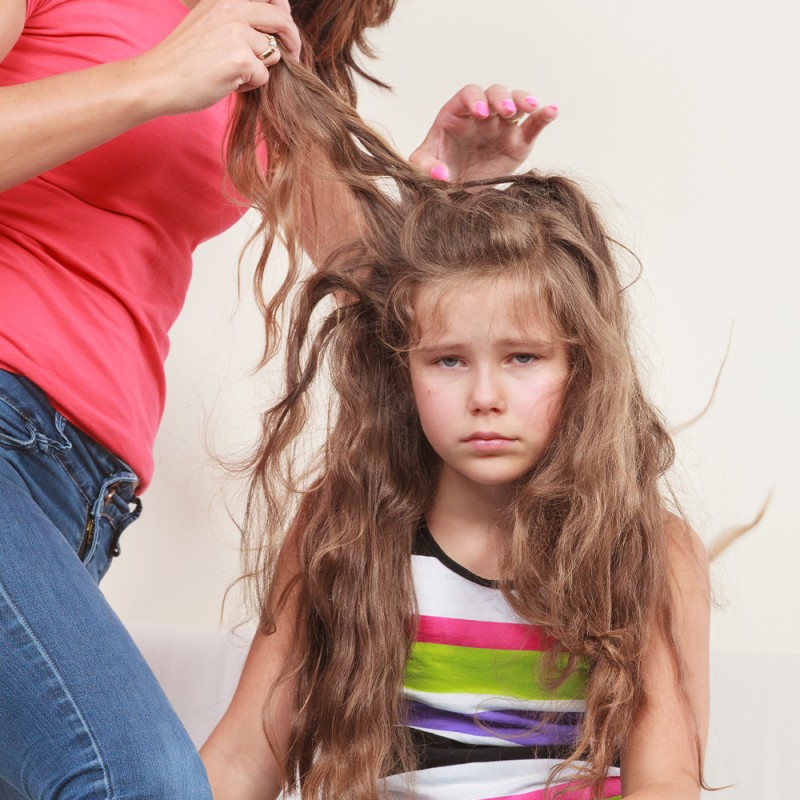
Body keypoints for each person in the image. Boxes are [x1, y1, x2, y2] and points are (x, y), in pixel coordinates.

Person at [0, 1, 558, 798]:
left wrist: (442, 194)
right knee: (136, 781)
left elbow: (377, 278)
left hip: (78, 493)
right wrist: (156, 78)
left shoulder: (261, 43)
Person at [200, 52, 710, 800]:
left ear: (582, 366)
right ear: (401, 367)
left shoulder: (648, 548)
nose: (485, 396)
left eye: (524, 357)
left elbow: (666, 781)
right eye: (446, 361)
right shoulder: (342, 528)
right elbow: (245, 756)